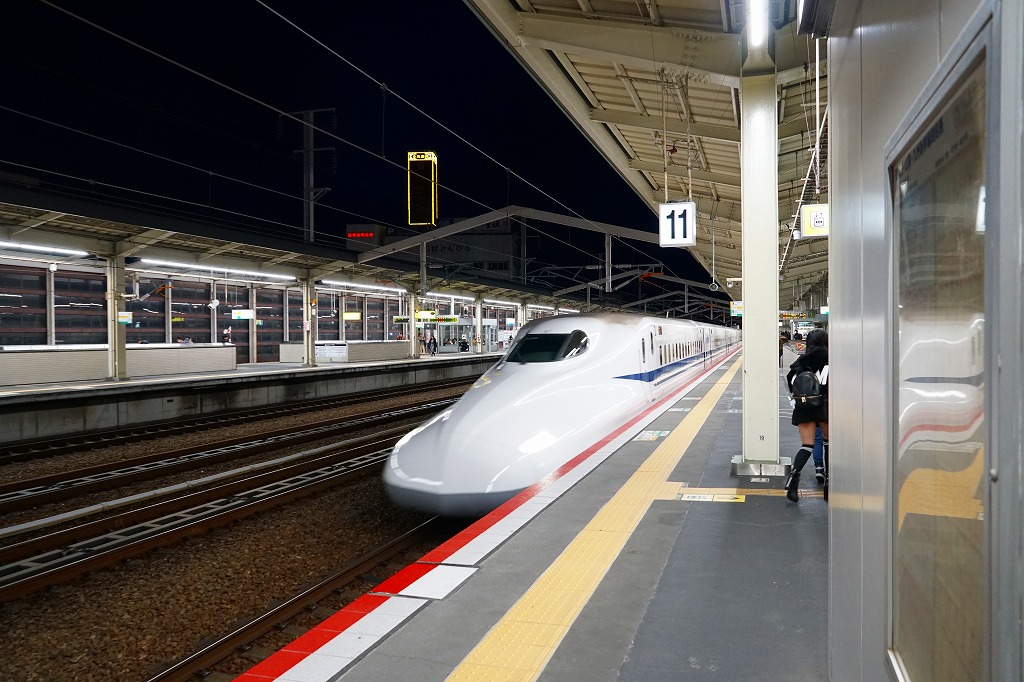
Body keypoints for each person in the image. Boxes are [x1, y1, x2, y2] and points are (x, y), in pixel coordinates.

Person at [784, 328, 829, 502]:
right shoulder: (830, 358)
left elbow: (791, 382)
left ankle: (793, 479)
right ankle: (828, 483)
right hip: (825, 406)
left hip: (804, 407)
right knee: (828, 443)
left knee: (807, 445)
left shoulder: (801, 361)